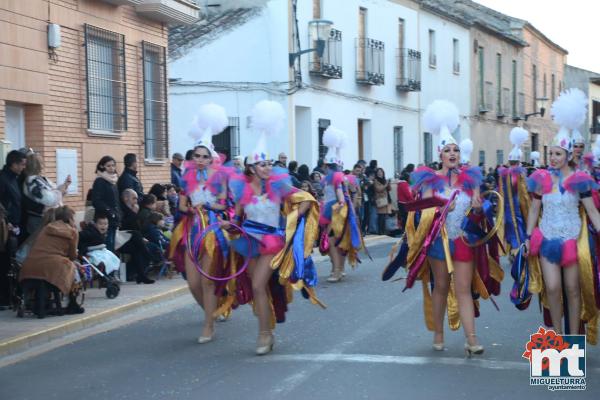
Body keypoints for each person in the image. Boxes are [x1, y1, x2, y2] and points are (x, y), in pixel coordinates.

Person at [400, 100, 501, 356]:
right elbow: (420, 212)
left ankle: (471, 338)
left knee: (464, 289)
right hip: (438, 242)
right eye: (448, 150)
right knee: (441, 287)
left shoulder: (472, 180)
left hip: (463, 240)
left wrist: (479, 209)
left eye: (456, 149)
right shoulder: (429, 181)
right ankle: (438, 333)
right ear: (440, 155)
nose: (453, 153)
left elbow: (477, 214)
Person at [227, 100, 321, 355]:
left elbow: (307, 199)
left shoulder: (279, 186)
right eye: (263, 164)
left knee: (258, 285)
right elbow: (236, 218)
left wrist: (293, 222)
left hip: (271, 242)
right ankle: (266, 329)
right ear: (251, 168)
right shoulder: (242, 189)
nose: (268, 167)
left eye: (269, 163)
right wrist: (229, 224)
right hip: (249, 241)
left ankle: (264, 334)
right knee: (259, 289)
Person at [524, 89, 600, 343]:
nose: (553, 158)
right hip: (546, 239)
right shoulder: (541, 179)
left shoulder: (580, 181)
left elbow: (591, 211)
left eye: (558, 154)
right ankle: (556, 338)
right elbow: (534, 209)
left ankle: (572, 340)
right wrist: (526, 237)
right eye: (551, 154)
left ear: (568, 155)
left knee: (573, 290)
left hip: (572, 240)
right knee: (553, 288)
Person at [168, 103, 231, 343]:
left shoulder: (219, 177)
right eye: (197, 156)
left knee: (207, 280)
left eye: (205, 156)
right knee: (193, 283)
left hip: (212, 230)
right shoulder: (186, 178)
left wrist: (211, 206)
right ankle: (212, 310)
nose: (201, 160)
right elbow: (181, 206)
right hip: (192, 230)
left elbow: (225, 203)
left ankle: (208, 325)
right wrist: (191, 208)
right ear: (192, 158)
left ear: (211, 158)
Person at [318, 126, 364, 283]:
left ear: (327, 166)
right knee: (339, 243)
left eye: (325, 165)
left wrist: (332, 209)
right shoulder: (338, 177)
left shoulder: (335, 179)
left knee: (332, 243)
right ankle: (339, 269)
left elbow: (341, 199)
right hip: (339, 214)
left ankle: (336, 270)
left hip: (334, 215)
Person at [19, 206, 84, 315]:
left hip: (29, 267)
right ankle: (73, 304)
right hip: (51, 269)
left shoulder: (47, 227)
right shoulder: (73, 232)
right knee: (74, 269)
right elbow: (72, 256)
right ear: (70, 218)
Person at [0, 150, 27, 308]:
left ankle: (9, 296)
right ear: (13, 164)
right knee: (4, 264)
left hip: (15, 227)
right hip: (5, 227)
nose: (23, 167)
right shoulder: (3, 179)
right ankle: (3, 298)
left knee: (11, 263)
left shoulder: (15, 178)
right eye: (22, 164)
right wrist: (7, 221)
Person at [498, 127, 530, 257]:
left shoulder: (504, 173)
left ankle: (515, 248)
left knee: (513, 226)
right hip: (515, 207)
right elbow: (524, 192)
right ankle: (516, 248)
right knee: (517, 226)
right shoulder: (517, 174)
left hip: (510, 206)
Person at [22, 152, 71, 235]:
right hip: (40, 220)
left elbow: (54, 191)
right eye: (40, 163)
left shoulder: (40, 179)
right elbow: (49, 199)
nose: (42, 166)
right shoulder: (32, 182)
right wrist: (60, 191)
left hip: (48, 218)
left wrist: (64, 186)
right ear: (35, 165)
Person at [120, 189, 155, 284]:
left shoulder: (133, 209)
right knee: (138, 242)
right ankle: (149, 257)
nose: (136, 201)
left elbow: (136, 228)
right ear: (126, 198)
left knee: (137, 249)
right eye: (134, 198)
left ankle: (141, 276)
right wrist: (134, 213)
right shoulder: (121, 209)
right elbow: (123, 225)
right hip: (121, 240)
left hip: (132, 240)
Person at [91, 156, 120, 252]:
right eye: (108, 166)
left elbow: (116, 200)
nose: (111, 168)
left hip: (114, 218)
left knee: (112, 246)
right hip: (104, 219)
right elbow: (96, 201)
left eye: (113, 165)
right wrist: (109, 211)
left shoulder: (114, 180)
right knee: (107, 246)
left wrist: (119, 214)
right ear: (102, 166)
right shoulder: (99, 181)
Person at [78, 211, 120, 276]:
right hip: (88, 252)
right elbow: (81, 235)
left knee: (111, 257)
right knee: (105, 259)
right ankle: (105, 275)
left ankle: (109, 275)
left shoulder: (101, 234)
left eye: (105, 224)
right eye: (100, 224)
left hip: (97, 250)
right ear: (95, 224)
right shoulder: (91, 232)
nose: (103, 226)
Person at [373, 168, 391, 235]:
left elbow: (389, 189)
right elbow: (378, 189)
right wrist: (386, 184)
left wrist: (388, 184)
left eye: (381, 172)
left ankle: (383, 230)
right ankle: (380, 231)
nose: (380, 173)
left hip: (386, 199)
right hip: (380, 199)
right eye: (378, 172)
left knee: (384, 216)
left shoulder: (384, 180)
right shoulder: (376, 180)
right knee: (381, 216)